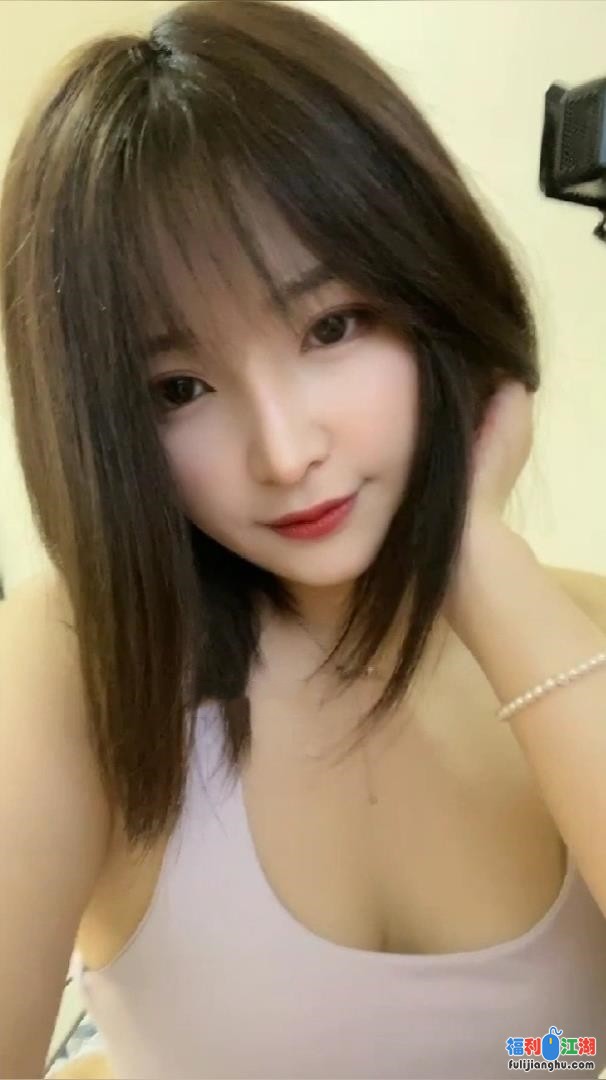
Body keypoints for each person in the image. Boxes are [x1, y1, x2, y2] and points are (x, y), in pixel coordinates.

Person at [1, 2, 606, 1078]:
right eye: (178, 388)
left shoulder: (579, 633)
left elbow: (560, 1053)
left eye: (330, 326)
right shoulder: (77, 663)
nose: (284, 454)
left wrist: (478, 563)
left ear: (435, 295)